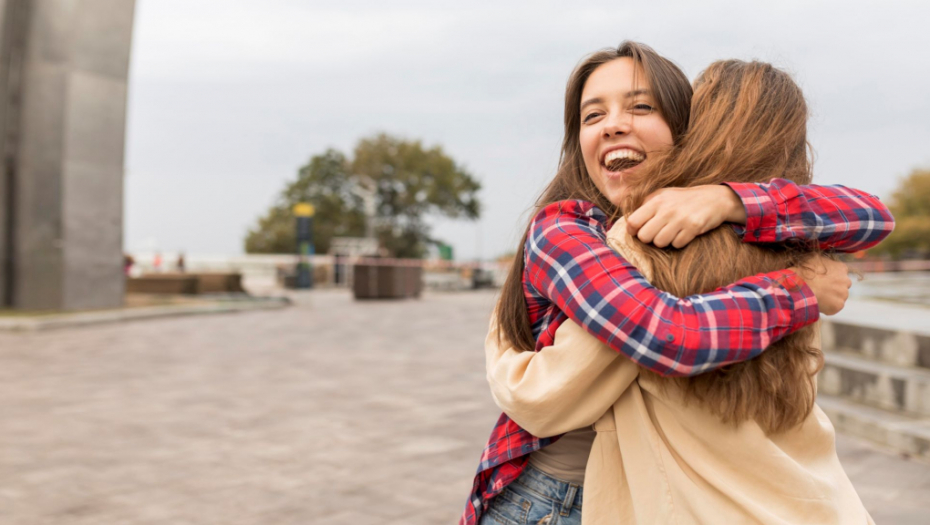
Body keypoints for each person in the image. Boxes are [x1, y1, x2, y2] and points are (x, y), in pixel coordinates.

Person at [462, 42, 894, 525]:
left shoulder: (709, 231)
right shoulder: (568, 229)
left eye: (641, 106)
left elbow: (874, 216)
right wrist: (801, 291)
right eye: (592, 115)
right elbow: (670, 335)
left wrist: (730, 200)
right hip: (546, 501)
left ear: (686, 129)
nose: (613, 124)